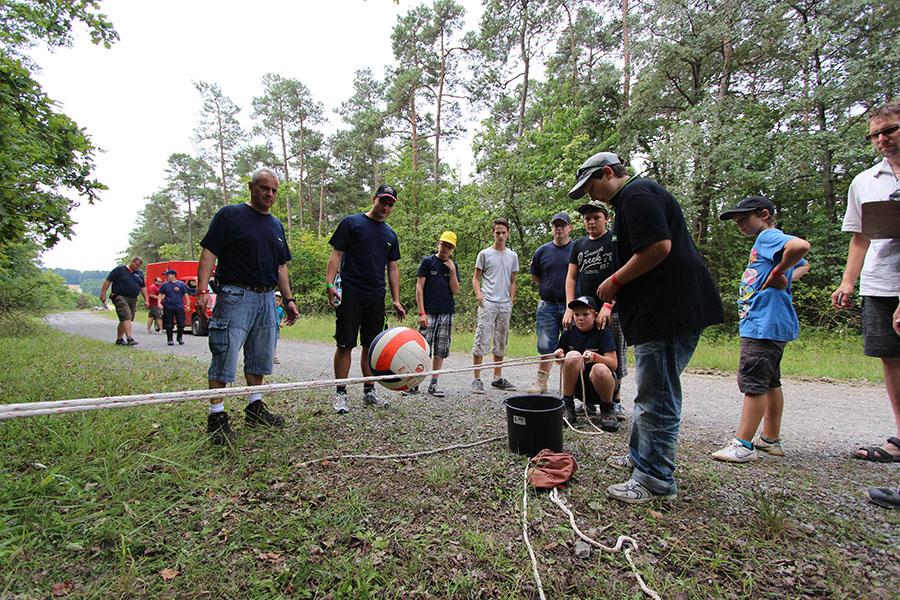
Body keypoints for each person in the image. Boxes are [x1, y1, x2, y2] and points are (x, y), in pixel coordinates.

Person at [570, 151, 724, 504]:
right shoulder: (632, 199)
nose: (592, 195)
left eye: (592, 185)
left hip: (668, 308)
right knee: (650, 388)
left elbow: (658, 247)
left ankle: (655, 478)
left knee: (658, 393)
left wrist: (613, 282)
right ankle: (642, 457)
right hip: (661, 309)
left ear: (608, 172)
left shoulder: (636, 195)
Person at [196, 168, 300, 445]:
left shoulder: (276, 226)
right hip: (235, 295)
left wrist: (288, 300)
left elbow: (281, 266)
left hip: (268, 298)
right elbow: (209, 252)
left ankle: (255, 407)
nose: (269, 194)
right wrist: (202, 290)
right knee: (224, 353)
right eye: (264, 188)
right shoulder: (230, 215)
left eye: (274, 190)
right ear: (251, 186)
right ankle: (216, 416)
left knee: (260, 356)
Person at [711, 196, 810, 463]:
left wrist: (779, 271)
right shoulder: (767, 241)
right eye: (737, 221)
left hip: (763, 323)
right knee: (770, 382)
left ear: (764, 214)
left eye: (745, 219)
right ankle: (770, 439)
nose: (740, 225)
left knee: (753, 382)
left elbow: (801, 247)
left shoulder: (768, 237)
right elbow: (804, 265)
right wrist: (783, 274)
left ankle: (743, 444)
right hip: (771, 322)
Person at [832, 102, 900, 468]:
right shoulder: (865, 181)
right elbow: (859, 237)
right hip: (880, 281)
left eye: (890, 129)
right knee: (891, 359)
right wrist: (848, 281)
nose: (882, 139)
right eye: (875, 134)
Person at [326, 184, 406, 414]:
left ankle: (369, 391)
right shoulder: (352, 223)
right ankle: (340, 393)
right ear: (374, 199)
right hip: (350, 293)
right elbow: (336, 254)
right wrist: (330, 284)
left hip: (375, 296)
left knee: (371, 346)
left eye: (390, 204)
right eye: (383, 201)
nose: (386, 207)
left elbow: (392, 268)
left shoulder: (390, 235)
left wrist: (396, 299)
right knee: (345, 344)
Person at [564, 200, 629, 420]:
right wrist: (568, 308)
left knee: (612, 356)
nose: (591, 222)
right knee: (581, 353)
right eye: (587, 218)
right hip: (585, 308)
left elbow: (624, 274)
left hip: (614, 309)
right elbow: (571, 277)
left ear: (606, 218)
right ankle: (588, 401)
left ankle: (614, 402)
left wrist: (609, 305)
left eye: (596, 217)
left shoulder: (614, 241)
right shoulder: (579, 245)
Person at [553, 296, 619, 432]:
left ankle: (607, 408)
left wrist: (595, 357)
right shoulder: (568, 333)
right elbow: (559, 361)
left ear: (595, 315)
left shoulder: (603, 333)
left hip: (602, 386)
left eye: (585, 314)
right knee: (573, 355)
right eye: (576, 314)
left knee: (599, 368)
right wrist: (559, 355)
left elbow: (613, 364)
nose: (580, 318)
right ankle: (568, 405)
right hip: (578, 387)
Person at [527, 212, 574, 394]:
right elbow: (536, 276)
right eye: (556, 225)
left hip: (571, 307)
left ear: (569, 227)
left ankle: (571, 388)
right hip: (547, 305)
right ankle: (541, 382)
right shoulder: (542, 251)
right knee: (546, 345)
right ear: (551, 228)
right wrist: (549, 287)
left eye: (563, 225)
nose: (559, 228)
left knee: (573, 347)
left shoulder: (576, 249)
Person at [471, 217, 519, 393]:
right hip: (488, 302)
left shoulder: (512, 256)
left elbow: (513, 280)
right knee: (481, 338)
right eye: (497, 232)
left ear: (507, 234)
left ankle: (497, 377)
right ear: (493, 233)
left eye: (503, 233)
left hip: (505, 304)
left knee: (501, 340)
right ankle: (476, 378)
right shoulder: (484, 254)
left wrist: (512, 299)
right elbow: (476, 278)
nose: (500, 235)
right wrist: (479, 296)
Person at [413, 230, 461, 397]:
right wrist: (421, 313)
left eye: (449, 246)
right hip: (429, 312)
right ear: (438, 244)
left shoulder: (453, 266)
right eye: (444, 244)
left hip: (446, 312)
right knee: (423, 349)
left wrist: (453, 271)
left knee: (441, 349)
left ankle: (434, 384)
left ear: (453, 249)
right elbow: (419, 288)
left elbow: (455, 291)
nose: (445, 248)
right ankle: (414, 383)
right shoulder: (428, 262)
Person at [99, 256, 149, 346]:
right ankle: (130, 338)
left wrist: (147, 300)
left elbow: (143, 287)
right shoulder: (119, 270)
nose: (137, 267)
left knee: (126, 318)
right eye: (136, 265)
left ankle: (119, 339)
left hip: (133, 298)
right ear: (132, 262)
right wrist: (103, 293)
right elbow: (108, 281)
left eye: (139, 266)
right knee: (126, 316)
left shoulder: (139, 274)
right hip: (119, 296)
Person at [158, 269, 190, 346]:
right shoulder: (164, 285)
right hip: (168, 307)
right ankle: (170, 339)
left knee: (181, 324)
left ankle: (180, 337)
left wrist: (188, 305)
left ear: (173, 275)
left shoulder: (181, 285)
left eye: (168, 275)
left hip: (179, 307)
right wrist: (159, 303)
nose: (166, 277)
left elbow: (186, 295)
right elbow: (160, 294)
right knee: (169, 324)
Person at [273, 291, 285, 364]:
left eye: (279, 301)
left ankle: (274, 357)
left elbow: (282, 317)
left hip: (276, 328)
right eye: (275, 300)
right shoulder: (269, 308)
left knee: (274, 343)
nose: (277, 302)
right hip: (268, 327)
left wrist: (281, 323)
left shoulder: (280, 310)